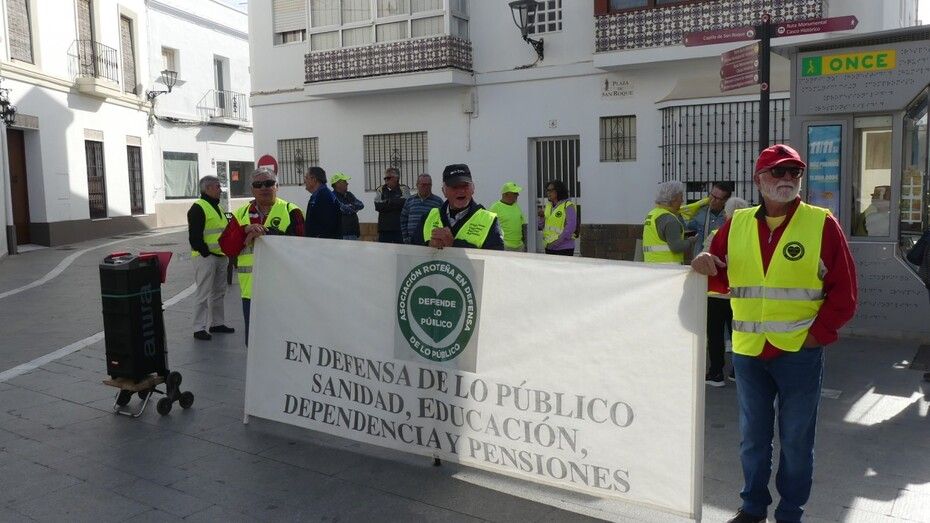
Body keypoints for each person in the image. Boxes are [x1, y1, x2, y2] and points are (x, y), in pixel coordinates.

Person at [691, 144, 857, 523]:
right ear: (758, 179)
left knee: (796, 441)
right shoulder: (737, 223)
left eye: (794, 172)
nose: (787, 179)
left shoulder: (821, 223)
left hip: (799, 353)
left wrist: (816, 336)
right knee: (753, 439)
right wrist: (703, 262)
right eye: (778, 172)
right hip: (749, 353)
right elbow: (719, 276)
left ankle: (790, 513)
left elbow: (844, 294)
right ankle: (752, 508)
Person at [232, 168, 304, 342]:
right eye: (258, 184)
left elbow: (302, 248)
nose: (264, 187)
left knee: (282, 341)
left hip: (282, 291)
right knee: (254, 341)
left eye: (269, 183)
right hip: (251, 292)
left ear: (277, 186)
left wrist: (268, 233)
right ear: (252, 189)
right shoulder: (239, 214)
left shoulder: (292, 211)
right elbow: (227, 247)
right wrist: (244, 232)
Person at [703, 196, 749, 387]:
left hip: (716, 293)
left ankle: (716, 373)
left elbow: (705, 260)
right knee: (738, 334)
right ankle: (738, 372)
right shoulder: (751, 237)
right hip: (741, 293)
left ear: (726, 214)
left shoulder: (716, 234)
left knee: (715, 335)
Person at [187, 176, 234, 341]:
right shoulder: (198, 207)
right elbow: (194, 236)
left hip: (220, 256)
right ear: (207, 189)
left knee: (219, 292)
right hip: (205, 257)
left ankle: (217, 323)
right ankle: (198, 328)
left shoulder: (217, 206)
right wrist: (206, 252)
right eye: (217, 186)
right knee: (203, 293)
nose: (220, 190)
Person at [419, 164, 504, 250]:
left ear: (473, 188)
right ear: (444, 191)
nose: (461, 191)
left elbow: (496, 256)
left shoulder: (489, 220)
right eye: (454, 187)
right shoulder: (428, 217)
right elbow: (413, 250)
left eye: (465, 185)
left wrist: (453, 244)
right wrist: (429, 245)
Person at [642, 181, 698, 264]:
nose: (682, 201)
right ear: (673, 199)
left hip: (651, 265)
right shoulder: (670, 219)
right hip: (668, 267)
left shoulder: (652, 214)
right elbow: (676, 247)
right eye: (681, 197)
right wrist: (691, 241)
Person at [687, 181, 733, 256]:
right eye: (711, 195)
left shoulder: (729, 216)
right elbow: (686, 227)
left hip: (720, 259)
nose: (712, 200)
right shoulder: (699, 212)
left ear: (725, 201)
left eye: (717, 198)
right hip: (700, 257)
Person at [400, 174, 443, 244]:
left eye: (429, 185)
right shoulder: (409, 201)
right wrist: (405, 238)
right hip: (411, 242)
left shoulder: (438, 202)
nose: (426, 187)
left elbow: (443, 220)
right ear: (417, 185)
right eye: (423, 185)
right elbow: (403, 219)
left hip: (430, 242)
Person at [537, 180, 576, 256]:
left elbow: (570, 229)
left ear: (559, 191)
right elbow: (541, 226)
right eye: (547, 190)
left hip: (564, 248)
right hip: (549, 246)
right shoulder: (548, 206)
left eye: (551, 190)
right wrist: (541, 217)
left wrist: (556, 243)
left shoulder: (568, 206)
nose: (548, 193)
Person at [303, 166, 341, 239]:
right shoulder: (318, 196)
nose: (304, 181)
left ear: (314, 179)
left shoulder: (325, 196)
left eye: (306, 177)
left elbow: (328, 226)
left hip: (323, 244)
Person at [374, 167, 410, 243]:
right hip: (384, 229)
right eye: (385, 178)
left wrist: (388, 202)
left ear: (396, 178)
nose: (386, 180)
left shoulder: (404, 188)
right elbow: (378, 206)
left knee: (400, 249)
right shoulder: (380, 189)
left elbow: (405, 202)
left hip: (399, 228)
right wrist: (395, 203)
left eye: (388, 178)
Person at [490, 182, 527, 252]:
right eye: (515, 193)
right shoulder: (495, 207)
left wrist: (525, 244)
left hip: (519, 247)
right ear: (505, 194)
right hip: (505, 247)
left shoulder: (516, 206)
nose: (518, 195)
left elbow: (523, 225)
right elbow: (490, 228)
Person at [331, 172, 364, 240]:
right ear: (338, 184)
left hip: (354, 233)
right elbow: (344, 209)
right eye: (345, 182)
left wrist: (350, 207)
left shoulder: (349, 194)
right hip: (342, 235)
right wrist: (352, 207)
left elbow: (361, 205)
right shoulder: (332, 196)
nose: (347, 183)